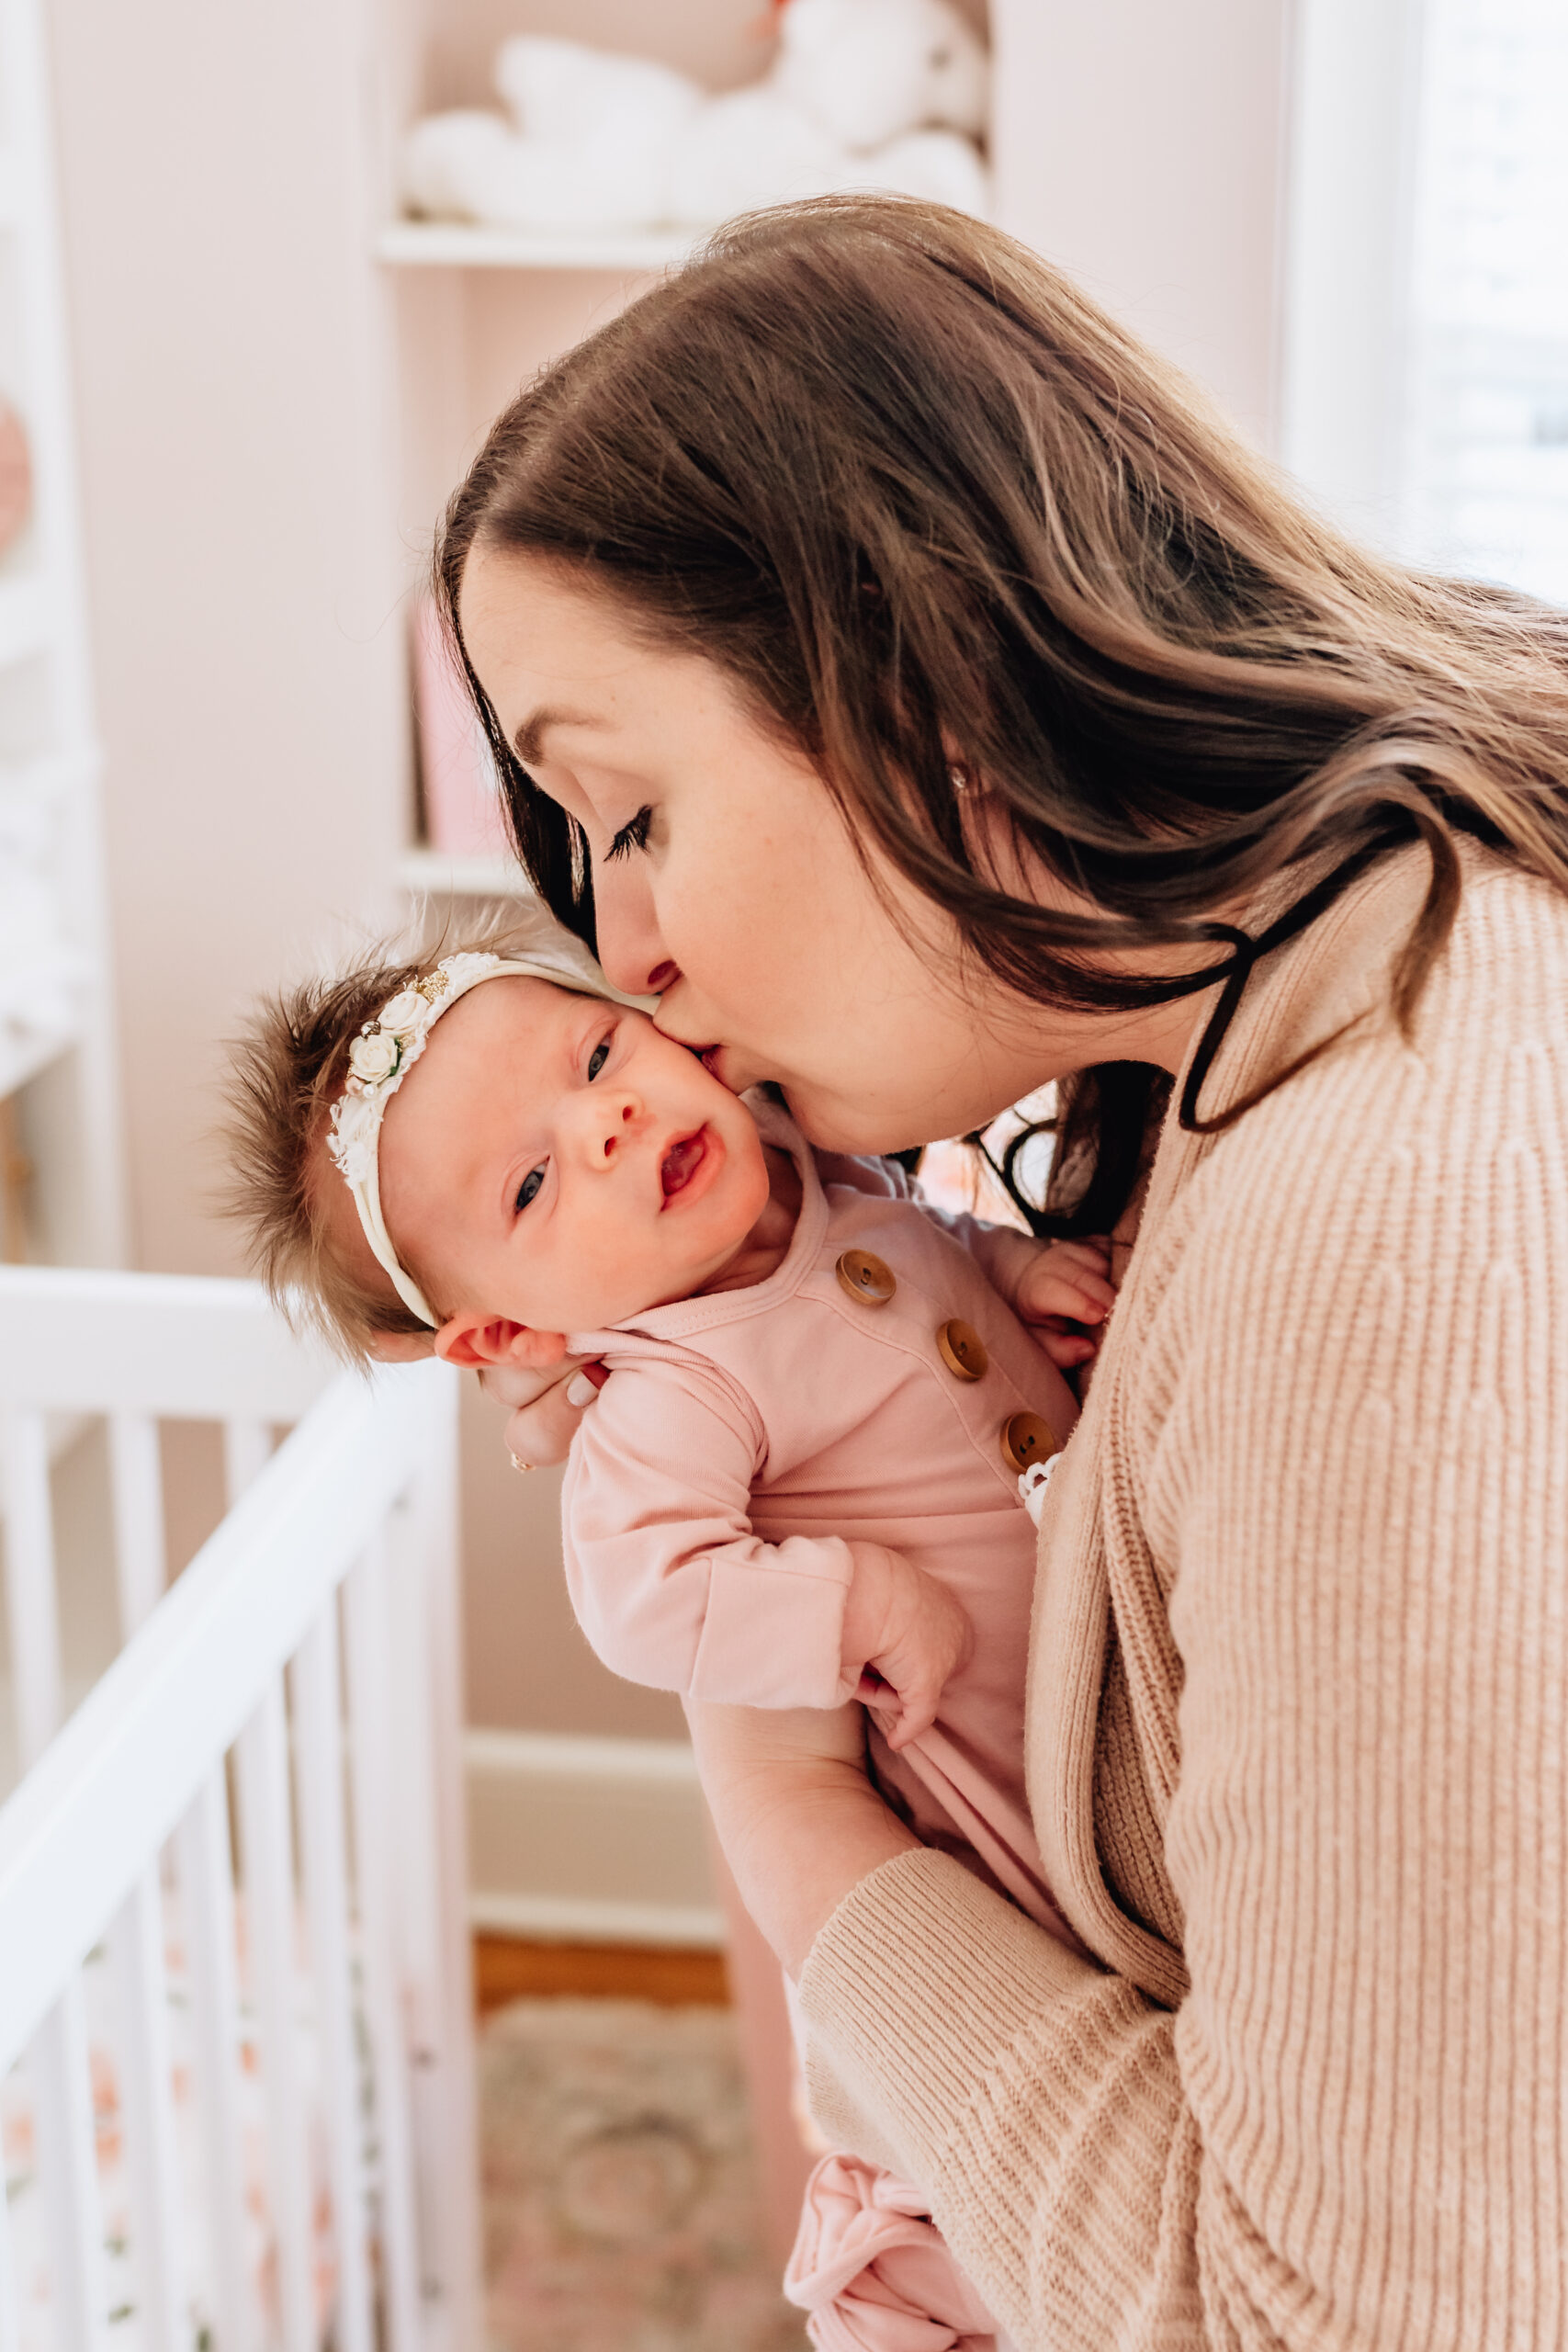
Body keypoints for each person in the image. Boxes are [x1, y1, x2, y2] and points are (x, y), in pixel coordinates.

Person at [428, 195, 1568, 2347]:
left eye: (629, 816)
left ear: (906, 659)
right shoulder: (1314, 1017)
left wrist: (785, 1808)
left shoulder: (1389, 1218)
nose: (629, 957)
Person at [224, 918, 1111, 2346]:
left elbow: (921, 1247)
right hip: (986, 1779)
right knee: (1022, 2081)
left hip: (1091, 1674)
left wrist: (1006, 1279)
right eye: (531, 1181)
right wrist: (846, 1599)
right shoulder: (671, 1393)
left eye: (592, 1055)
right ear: (503, 1339)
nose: (608, 1120)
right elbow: (642, 1593)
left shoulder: (819, 1181)